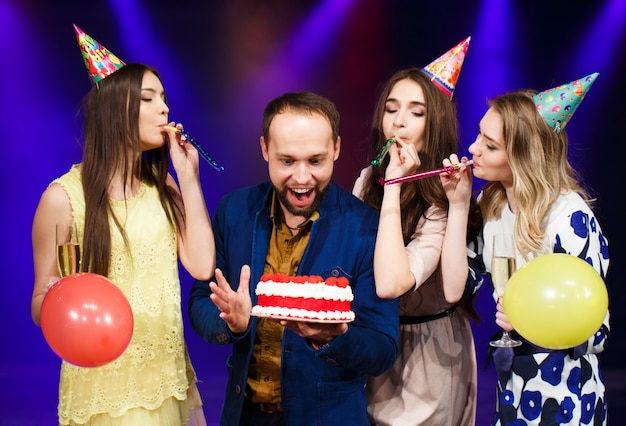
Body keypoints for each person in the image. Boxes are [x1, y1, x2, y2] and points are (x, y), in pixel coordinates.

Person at [31, 26, 215, 425]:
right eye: (149, 98)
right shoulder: (63, 198)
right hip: (101, 388)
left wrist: (188, 177)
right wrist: (55, 300)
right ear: (116, 109)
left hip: (165, 380)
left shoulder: (164, 185)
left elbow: (201, 266)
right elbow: (39, 301)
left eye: (164, 98)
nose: (165, 109)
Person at [188, 91, 399, 425]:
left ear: (337, 150)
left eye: (316, 161)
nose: (302, 178)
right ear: (264, 149)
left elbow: (383, 348)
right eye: (287, 161)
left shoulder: (367, 228)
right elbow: (201, 298)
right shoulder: (234, 211)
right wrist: (232, 323)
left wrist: (334, 337)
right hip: (245, 416)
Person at [442, 73, 610, 424]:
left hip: (565, 391)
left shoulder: (568, 216)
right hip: (513, 387)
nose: (472, 149)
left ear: (523, 156)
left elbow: (597, 328)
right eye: (479, 136)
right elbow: (457, 287)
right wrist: (458, 206)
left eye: (490, 145)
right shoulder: (491, 204)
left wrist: (531, 319)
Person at [352, 39, 484, 425]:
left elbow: (394, 282)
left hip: (428, 351)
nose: (399, 121)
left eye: (415, 112)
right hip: (374, 339)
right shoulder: (366, 181)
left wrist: (393, 188)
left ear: (435, 123)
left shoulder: (443, 200)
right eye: (391, 109)